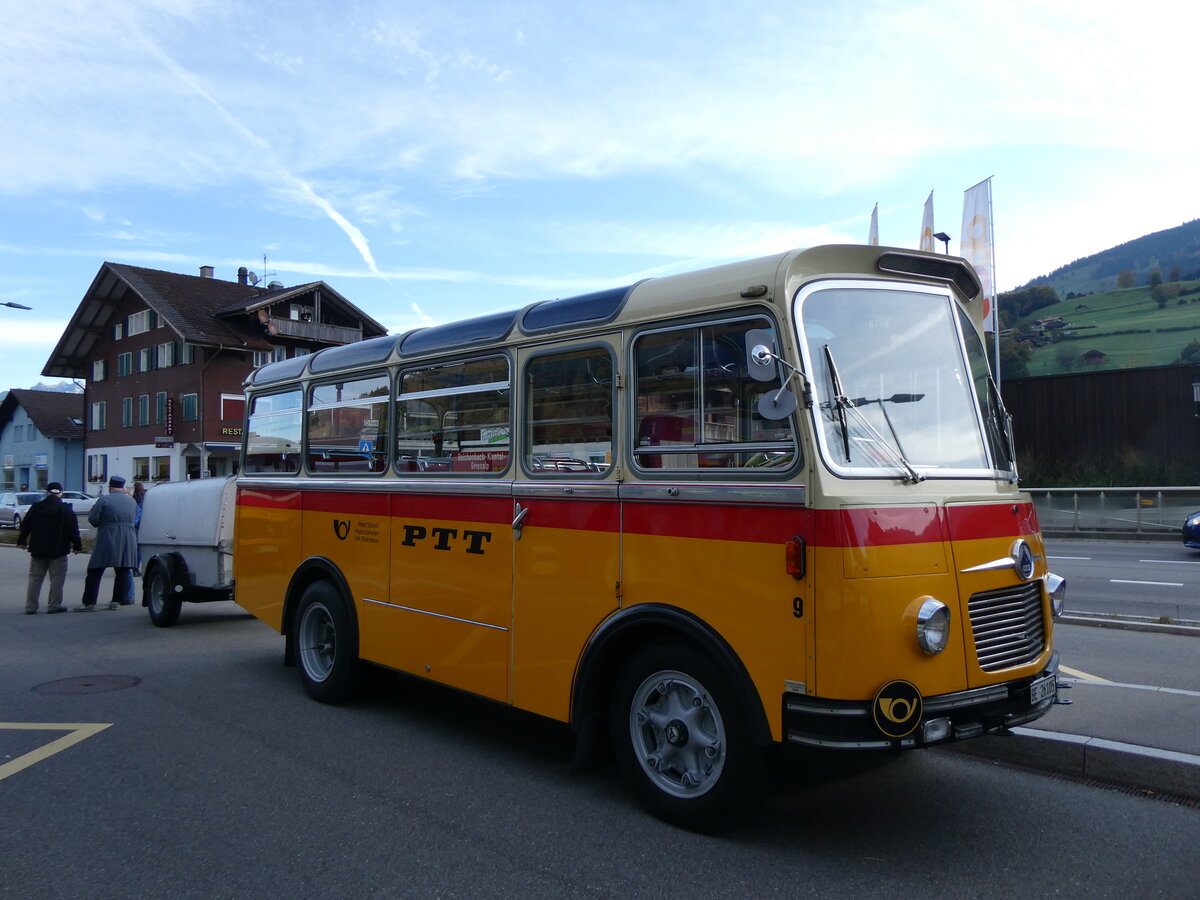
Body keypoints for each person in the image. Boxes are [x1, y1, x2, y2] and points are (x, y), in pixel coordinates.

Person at [17, 482, 82, 614]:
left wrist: (22, 541)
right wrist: (77, 546)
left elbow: (25, 526)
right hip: (58, 550)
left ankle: (31, 606)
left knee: (35, 578)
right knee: (57, 578)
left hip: (38, 549)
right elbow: (73, 530)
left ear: (46, 493)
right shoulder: (65, 509)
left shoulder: (36, 507)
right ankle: (54, 605)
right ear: (61, 493)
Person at [77, 475, 139, 611]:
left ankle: (89, 602)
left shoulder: (104, 500)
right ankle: (116, 601)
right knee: (122, 570)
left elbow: (93, 519)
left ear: (110, 487)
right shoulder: (131, 501)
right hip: (128, 538)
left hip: (108, 536)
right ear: (122, 487)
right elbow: (135, 518)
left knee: (95, 570)